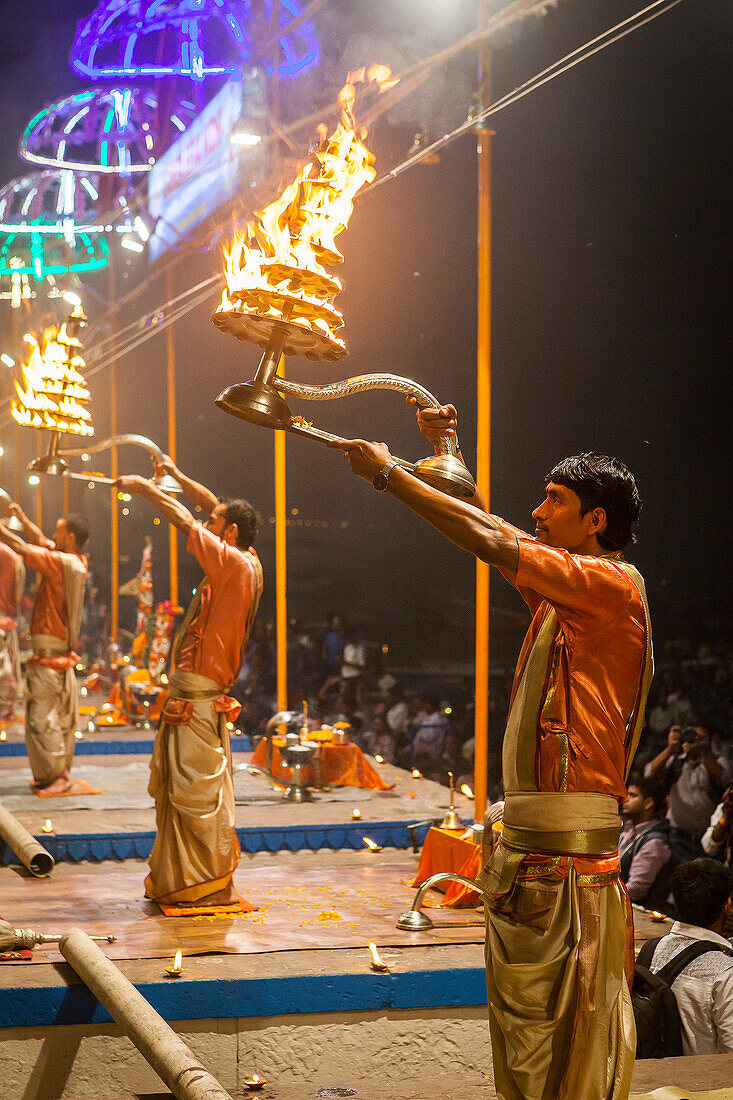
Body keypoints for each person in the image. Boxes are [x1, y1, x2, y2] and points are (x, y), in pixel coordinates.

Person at [329, 408, 653, 1100]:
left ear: (595, 522)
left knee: (560, 1054)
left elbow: (489, 537)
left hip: (565, 867)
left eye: (554, 501)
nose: (535, 512)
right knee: (528, 1049)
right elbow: (491, 528)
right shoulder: (568, 594)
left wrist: (390, 475)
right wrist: (443, 450)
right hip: (536, 860)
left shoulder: (609, 588)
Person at [117, 456, 262, 907]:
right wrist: (178, 477)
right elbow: (210, 505)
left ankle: (205, 884)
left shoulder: (233, 565)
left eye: (214, 522)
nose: (206, 519)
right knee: (186, 797)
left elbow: (183, 519)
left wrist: (146, 489)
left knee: (194, 798)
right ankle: (186, 881)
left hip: (198, 700)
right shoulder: (244, 557)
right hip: (194, 697)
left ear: (230, 533)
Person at [0, 504, 88, 793]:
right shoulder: (71, 560)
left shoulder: (61, 564)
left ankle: (59, 778)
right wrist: (21, 516)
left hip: (50, 656)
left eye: (59, 532)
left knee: (42, 721)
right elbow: (39, 540)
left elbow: (23, 548)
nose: (53, 535)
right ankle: (57, 775)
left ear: (71, 538)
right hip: (55, 653)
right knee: (54, 719)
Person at [644, 858, 733, 1054]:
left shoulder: (650, 949)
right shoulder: (725, 971)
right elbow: (730, 1051)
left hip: (647, 1074)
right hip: (701, 1082)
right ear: (726, 904)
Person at [646, 724, 726, 861]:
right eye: (692, 736)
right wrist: (671, 748)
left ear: (709, 741)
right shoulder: (675, 762)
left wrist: (702, 754)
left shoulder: (716, 761)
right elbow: (649, 773)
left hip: (705, 838)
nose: (695, 740)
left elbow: (722, 777)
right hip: (677, 837)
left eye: (700, 738)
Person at [619, 775, 672, 910]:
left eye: (632, 795)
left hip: (632, 910)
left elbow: (636, 889)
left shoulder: (654, 841)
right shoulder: (626, 829)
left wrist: (604, 896)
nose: (625, 799)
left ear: (648, 803)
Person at [0, 540, 25, 720]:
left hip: (4, 618)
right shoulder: (10, 556)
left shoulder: (8, 555)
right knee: (6, 672)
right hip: (4, 618)